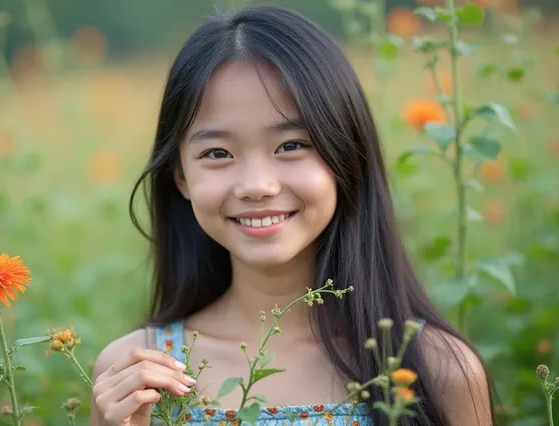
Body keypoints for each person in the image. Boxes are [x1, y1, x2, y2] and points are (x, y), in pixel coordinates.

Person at [90, 4, 494, 426]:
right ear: (182, 179)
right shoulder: (134, 381)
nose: (257, 185)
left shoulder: (436, 373)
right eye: (217, 153)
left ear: (346, 155)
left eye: (291, 145)